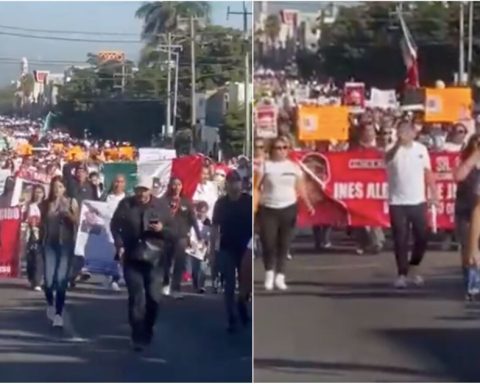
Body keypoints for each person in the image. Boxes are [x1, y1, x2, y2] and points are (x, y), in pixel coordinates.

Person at [110, 175, 176, 351]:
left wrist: (163, 229)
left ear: (151, 191)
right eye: (138, 190)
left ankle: (148, 327)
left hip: (155, 258)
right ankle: (137, 334)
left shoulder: (161, 206)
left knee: (154, 298)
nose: (141, 194)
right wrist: (120, 244)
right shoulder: (126, 204)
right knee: (137, 296)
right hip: (132, 256)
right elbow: (115, 225)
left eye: (144, 190)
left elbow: (174, 232)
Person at [385, 121, 438, 289]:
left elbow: (428, 172)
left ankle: (414, 265)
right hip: (397, 202)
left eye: (408, 131)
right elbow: (388, 158)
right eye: (402, 131)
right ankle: (402, 273)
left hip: (418, 200)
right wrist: (397, 145)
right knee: (401, 238)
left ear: (414, 134)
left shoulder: (421, 150)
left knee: (422, 237)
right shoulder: (391, 149)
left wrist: (434, 192)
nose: (405, 134)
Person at [257, 136, 314, 291]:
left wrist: (308, 204)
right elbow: (256, 187)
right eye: (278, 148)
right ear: (272, 150)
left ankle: (280, 275)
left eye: (284, 148)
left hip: (289, 207)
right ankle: (269, 272)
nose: (281, 151)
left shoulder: (294, 167)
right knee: (268, 243)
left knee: (284, 244)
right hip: (268, 208)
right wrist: (255, 206)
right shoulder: (265, 166)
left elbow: (301, 188)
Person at [210, 171, 251, 333]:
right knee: (228, 284)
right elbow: (214, 228)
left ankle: (242, 303)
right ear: (226, 184)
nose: (234, 185)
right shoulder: (221, 204)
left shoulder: (248, 201)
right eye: (231, 182)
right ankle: (231, 318)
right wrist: (212, 250)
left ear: (241, 184)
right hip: (227, 247)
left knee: (245, 283)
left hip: (245, 248)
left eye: (237, 182)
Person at [39, 176, 79, 327]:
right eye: (55, 187)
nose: (57, 190)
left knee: (61, 280)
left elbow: (77, 222)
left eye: (60, 187)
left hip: (65, 245)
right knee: (48, 281)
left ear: (65, 188)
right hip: (49, 244)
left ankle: (58, 314)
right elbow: (41, 223)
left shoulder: (71, 202)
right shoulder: (46, 204)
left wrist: (68, 214)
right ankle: (50, 303)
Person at [160, 177, 200, 299]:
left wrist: (198, 235)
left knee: (179, 263)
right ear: (170, 186)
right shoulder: (163, 201)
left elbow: (193, 219)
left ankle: (176, 288)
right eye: (174, 184)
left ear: (182, 187)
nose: (176, 187)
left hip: (181, 236)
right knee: (165, 262)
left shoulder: (187, 202)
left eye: (179, 184)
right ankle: (165, 283)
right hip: (166, 235)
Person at [453, 134, 480, 298]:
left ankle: (475, 283)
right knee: (468, 250)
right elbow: (458, 176)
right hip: (466, 209)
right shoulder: (465, 159)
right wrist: (474, 156)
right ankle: (469, 281)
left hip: (476, 210)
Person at [102, 174, 127, 291]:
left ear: (124, 184)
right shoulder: (106, 197)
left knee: (119, 254)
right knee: (109, 254)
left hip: (121, 230)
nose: (118, 184)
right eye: (116, 182)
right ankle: (111, 276)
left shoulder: (127, 199)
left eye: (121, 182)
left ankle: (115, 278)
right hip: (106, 229)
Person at [25, 185, 46, 291]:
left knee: (39, 257)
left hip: (42, 233)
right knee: (30, 258)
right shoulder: (30, 205)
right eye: (36, 192)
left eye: (40, 192)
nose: (38, 194)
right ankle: (32, 277)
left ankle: (38, 281)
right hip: (30, 234)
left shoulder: (45, 205)